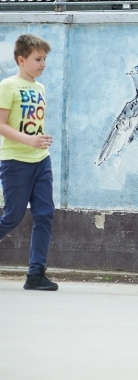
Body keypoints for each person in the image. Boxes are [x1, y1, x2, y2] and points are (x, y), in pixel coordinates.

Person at [0, 34, 58, 291]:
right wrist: (29, 140)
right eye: (37, 59)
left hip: (41, 161)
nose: (43, 64)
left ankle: (35, 274)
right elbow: (1, 125)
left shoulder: (40, 88)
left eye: (45, 59)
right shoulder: (8, 86)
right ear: (21, 60)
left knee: (45, 214)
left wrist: (38, 142)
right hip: (15, 162)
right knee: (12, 217)